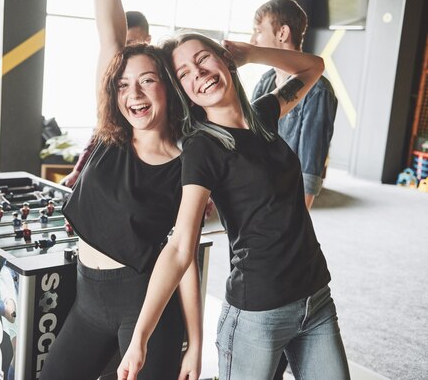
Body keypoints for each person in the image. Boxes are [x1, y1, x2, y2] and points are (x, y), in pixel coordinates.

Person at [117, 34, 350, 379]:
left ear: (226, 60)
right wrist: (140, 337)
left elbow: (314, 66)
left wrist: (253, 53)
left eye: (203, 58)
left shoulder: (264, 115)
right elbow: (181, 245)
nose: (197, 72)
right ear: (185, 92)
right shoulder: (202, 147)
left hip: (315, 298)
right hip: (258, 314)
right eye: (183, 73)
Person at [39, 0, 201, 379]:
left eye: (148, 81)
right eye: (125, 85)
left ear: (168, 87)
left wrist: (195, 344)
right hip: (88, 302)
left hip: (144, 306)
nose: (135, 94)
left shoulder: (188, 164)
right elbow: (110, 34)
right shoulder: (110, 133)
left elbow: (183, 257)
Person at [251, 0, 338, 210]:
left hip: (287, 199)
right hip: (257, 191)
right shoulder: (265, 81)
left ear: (282, 33)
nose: (253, 40)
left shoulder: (318, 90)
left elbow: (311, 165)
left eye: (258, 31)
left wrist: (300, 219)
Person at [59, 10, 152, 188]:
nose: (124, 50)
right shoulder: (113, 77)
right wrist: (78, 170)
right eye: (121, 44)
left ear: (147, 40)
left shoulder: (164, 72)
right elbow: (103, 127)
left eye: (131, 42)